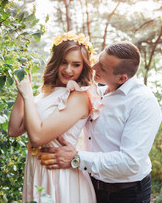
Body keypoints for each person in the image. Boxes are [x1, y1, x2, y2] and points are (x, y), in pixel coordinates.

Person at [40, 41, 162, 203]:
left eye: (102, 68)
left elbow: (131, 162)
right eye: (98, 60)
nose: (93, 67)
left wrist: (77, 158)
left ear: (121, 78)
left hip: (127, 194)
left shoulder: (143, 103)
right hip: (91, 185)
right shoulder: (97, 92)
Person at [8, 32, 97, 203]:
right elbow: (14, 129)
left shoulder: (79, 96)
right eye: (64, 62)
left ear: (83, 67)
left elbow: (37, 137)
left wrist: (28, 96)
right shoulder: (45, 91)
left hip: (60, 175)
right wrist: (23, 90)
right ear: (56, 61)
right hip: (37, 170)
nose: (68, 69)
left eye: (76, 64)